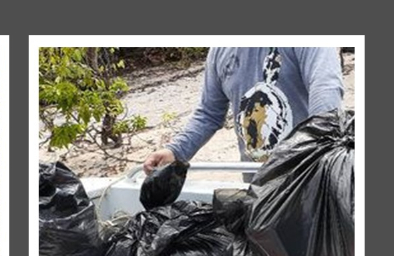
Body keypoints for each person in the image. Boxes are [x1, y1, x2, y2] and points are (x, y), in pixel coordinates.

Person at [143, 47, 344, 174]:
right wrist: (176, 150)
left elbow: (326, 86)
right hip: (256, 181)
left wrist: (320, 148)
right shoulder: (220, 51)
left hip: (309, 173)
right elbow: (208, 114)